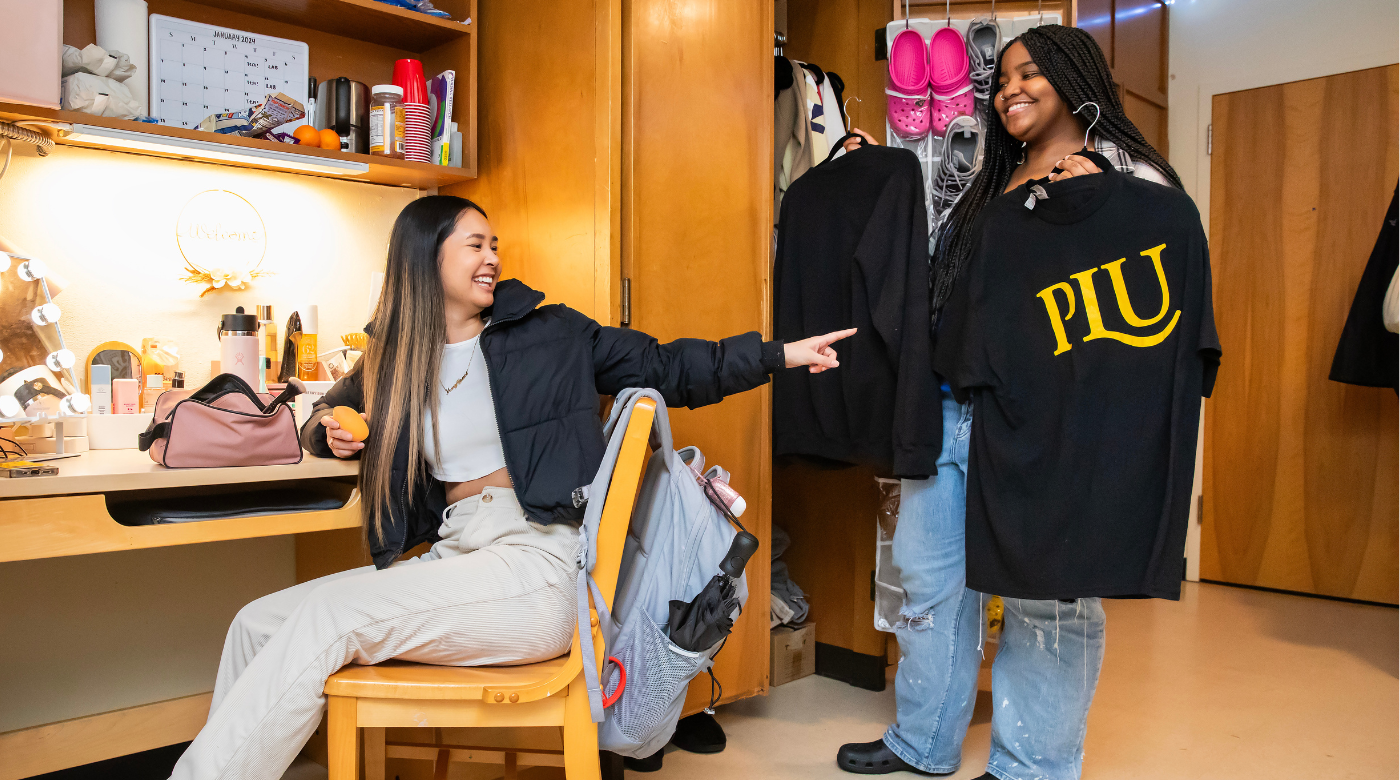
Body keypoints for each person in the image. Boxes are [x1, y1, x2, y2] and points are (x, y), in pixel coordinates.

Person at [169, 195, 853, 780]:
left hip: (536, 568)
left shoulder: (549, 335)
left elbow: (671, 365)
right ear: (426, 257)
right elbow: (325, 415)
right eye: (475, 244)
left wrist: (779, 355)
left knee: (325, 621)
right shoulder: (396, 356)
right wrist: (330, 431)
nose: (492, 256)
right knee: (255, 624)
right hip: (458, 559)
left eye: (494, 244)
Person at [836, 25, 1181, 780]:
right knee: (930, 585)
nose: (1009, 90)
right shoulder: (991, 178)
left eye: (1031, 74)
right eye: (1001, 81)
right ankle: (923, 742)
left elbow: (1147, 324)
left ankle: (1029, 766)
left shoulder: (1133, 179)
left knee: (1048, 598)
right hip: (950, 411)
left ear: (1074, 77)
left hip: (1048, 426)